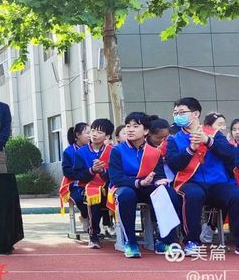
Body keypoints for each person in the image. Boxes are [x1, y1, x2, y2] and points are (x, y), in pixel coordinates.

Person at [165, 97, 239, 257]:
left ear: (195, 114)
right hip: (190, 182)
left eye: (182, 112)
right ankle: (192, 241)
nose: (177, 116)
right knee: (193, 195)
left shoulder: (214, 134)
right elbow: (174, 164)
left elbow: (230, 154)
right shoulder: (173, 139)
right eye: (175, 113)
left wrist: (208, 141)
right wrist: (190, 150)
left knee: (236, 194)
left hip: (217, 183)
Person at [109, 112, 182, 258]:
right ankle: (131, 242)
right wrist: (139, 182)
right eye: (128, 126)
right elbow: (116, 178)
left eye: (135, 126)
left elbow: (158, 176)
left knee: (170, 194)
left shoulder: (154, 152)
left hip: (147, 188)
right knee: (126, 195)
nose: (130, 129)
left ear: (146, 131)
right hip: (125, 187)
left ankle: (164, 241)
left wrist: (159, 181)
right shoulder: (117, 151)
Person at [74, 118, 114, 249]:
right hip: (87, 187)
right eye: (93, 131)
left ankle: (120, 233)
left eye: (99, 132)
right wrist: (92, 170)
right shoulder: (81, 152)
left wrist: (102, 171)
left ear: (107, 136)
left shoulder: (112, 151)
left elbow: (115, 174)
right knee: (92, 196)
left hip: (108, 187)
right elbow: (78, 175)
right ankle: (94, 235)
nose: (94, 134)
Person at [60, 123, 90, 230]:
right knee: (81, 198)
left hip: (92, 182)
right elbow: (67, 171)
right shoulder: (69, 152)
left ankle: (106, 223)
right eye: (87, 133)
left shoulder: (92, 149)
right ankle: (85, 217)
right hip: (75, 184)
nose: (90, 135)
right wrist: (82, 175)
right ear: (78, 135)